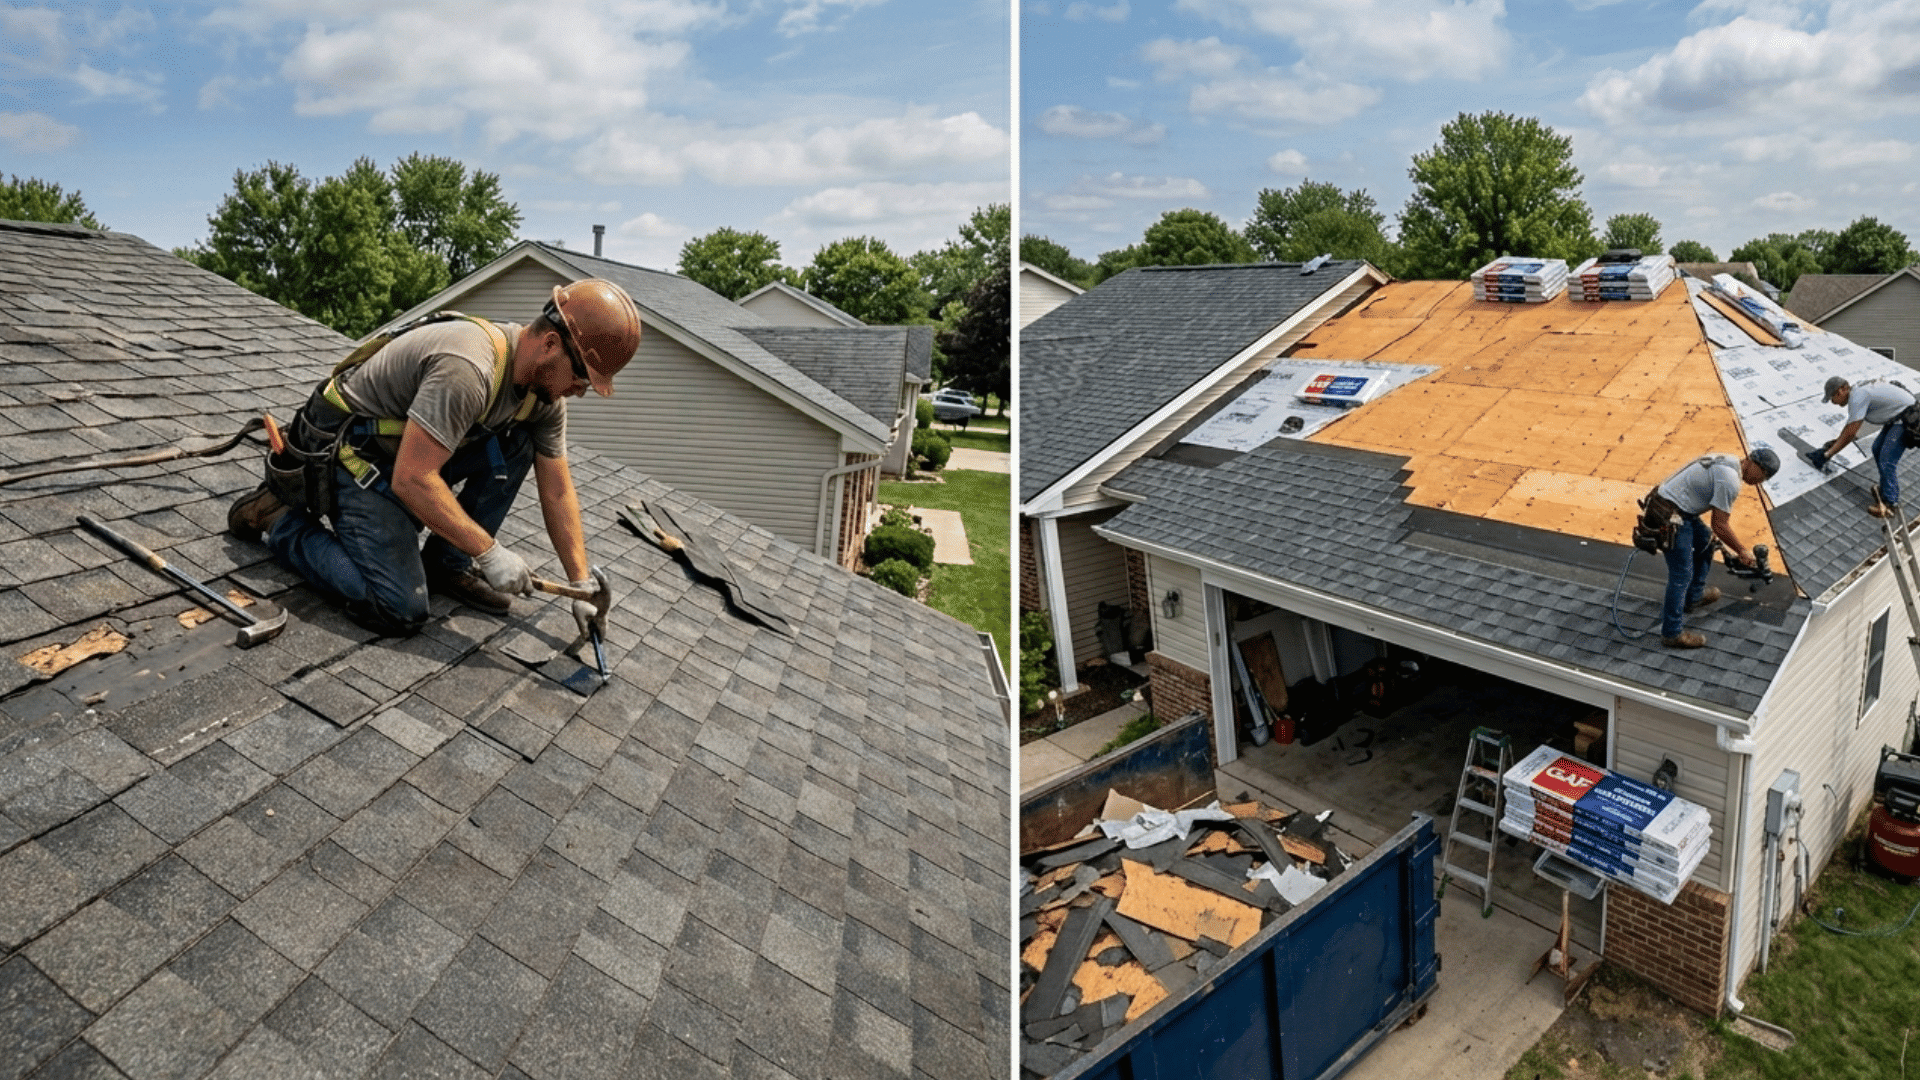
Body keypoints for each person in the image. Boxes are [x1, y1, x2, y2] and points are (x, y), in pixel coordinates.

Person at [228, 279, 641, 639]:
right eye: (582, 377)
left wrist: (581, 581)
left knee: (519, 443)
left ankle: (448, 564)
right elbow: (413, 479)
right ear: (551, 344)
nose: (581, 390)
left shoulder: (543, 395)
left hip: (409, 456)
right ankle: (278, 519)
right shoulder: (468, 368)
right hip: (353, 459)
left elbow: (557, 489)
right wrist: (489, 551)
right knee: (399, 607)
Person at [1645, 448, 1778, 649]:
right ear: (1753, 463)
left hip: (1676, 507)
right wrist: (1742, 551)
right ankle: (1671, 633)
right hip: (1670, 515)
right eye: (1764, 475)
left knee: (1706, 543)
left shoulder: (1729, 460)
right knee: (1681, 575)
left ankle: (1693, 597)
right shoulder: (1730, 480)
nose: (1762, 481)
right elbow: (1720, 525)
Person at [1805, 375, 1917, 517]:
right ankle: (1885, 489)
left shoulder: (1858, 396)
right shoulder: (1858, 392)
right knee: (1877, 449)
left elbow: (1851, 432)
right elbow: (1851, 428)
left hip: (1906, 418)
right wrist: (1836, 442)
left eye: (1832, 398)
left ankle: (1890, 503)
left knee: (1887, 459)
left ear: (1841, 391)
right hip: (1896, 417)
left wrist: (1828, 454)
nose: (1833, 403)